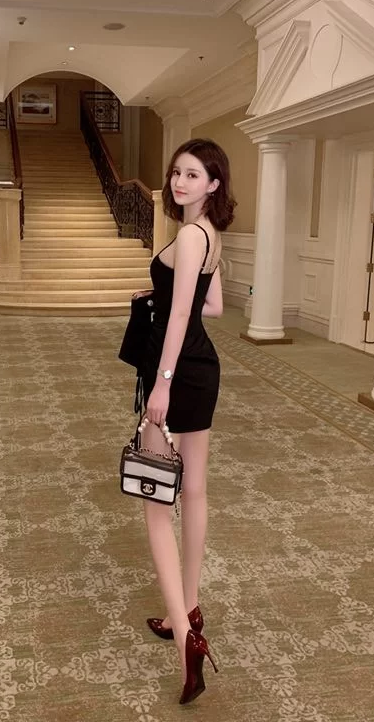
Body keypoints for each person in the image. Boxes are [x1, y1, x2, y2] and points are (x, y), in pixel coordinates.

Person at [132, 138, 235, 705]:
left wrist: (162, 384)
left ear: (213, 184)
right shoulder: (210, 235)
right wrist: (162, 289)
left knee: (155, 506)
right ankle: (186, 611)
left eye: (193, 174)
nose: (179, 181)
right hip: (203, 367)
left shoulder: (191, 236)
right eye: (177, 172)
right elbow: (209, 306)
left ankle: (186, 642)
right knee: (194, 490)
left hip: (176, 374)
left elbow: (180, 314)